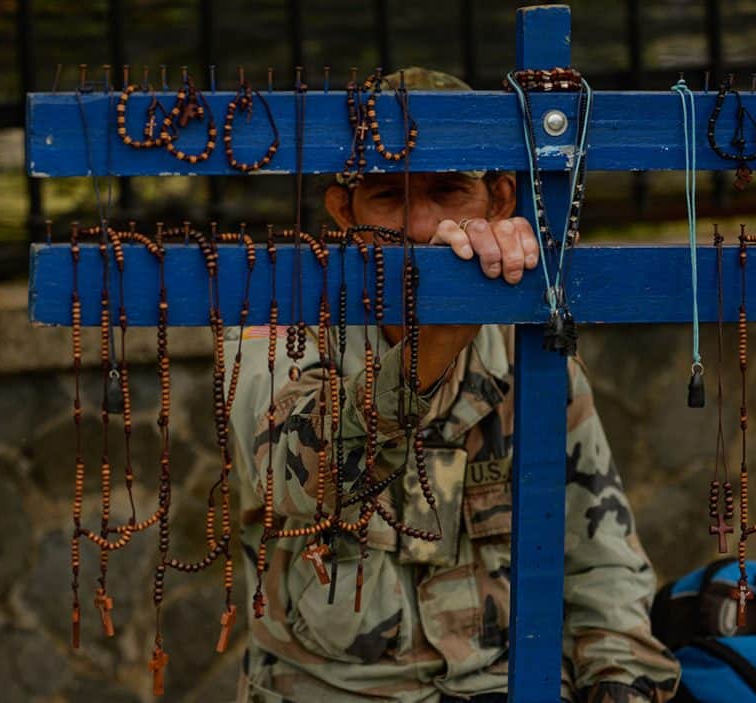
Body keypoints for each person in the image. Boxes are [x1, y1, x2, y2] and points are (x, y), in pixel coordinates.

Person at [225, 68, 680, 703]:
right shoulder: (279, 332)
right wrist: (436, 339)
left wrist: (620, 688)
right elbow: (295, 478)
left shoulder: (534, 357)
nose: (420, 227)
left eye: (449, 191)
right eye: (388, 195)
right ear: (343, 213)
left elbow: (603, 571)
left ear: (498, 200)